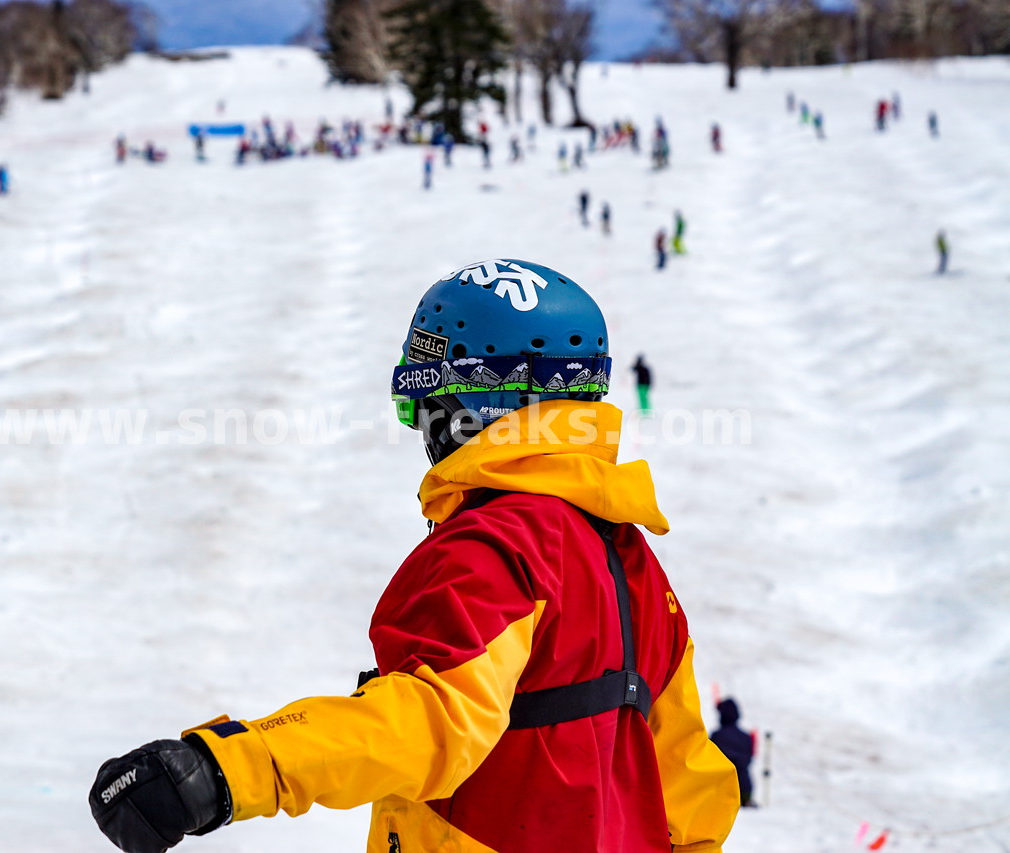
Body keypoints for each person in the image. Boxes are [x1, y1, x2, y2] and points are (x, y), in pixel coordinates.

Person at [88, 259, 740, 853]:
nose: (418, 427)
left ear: (474, 404)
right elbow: (689, 781)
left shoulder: (495, 548)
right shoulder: (630, 562)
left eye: (420, 403)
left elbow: (429, 721)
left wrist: (225, 768)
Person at [710, 698, 755, 807]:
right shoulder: (746, 737)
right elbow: (749, 759)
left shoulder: (716, 736)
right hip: (744, 790)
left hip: (720, 789)